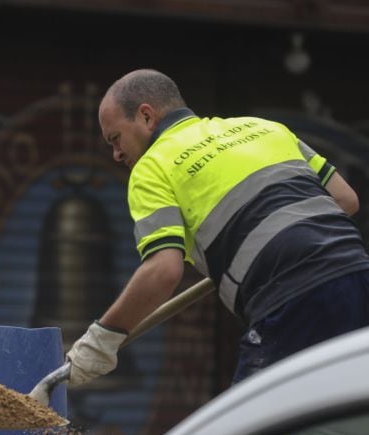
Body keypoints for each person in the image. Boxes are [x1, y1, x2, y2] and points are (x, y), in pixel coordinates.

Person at [67, 68, 369, 387]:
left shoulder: (152, 167)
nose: (116, 154)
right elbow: (346, 199)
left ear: (145, 116)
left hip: (291, 299)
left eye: (116, 139)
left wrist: (102, 338)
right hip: (358, 277)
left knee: (253, 431)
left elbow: (163, 271)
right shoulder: (265, 128)